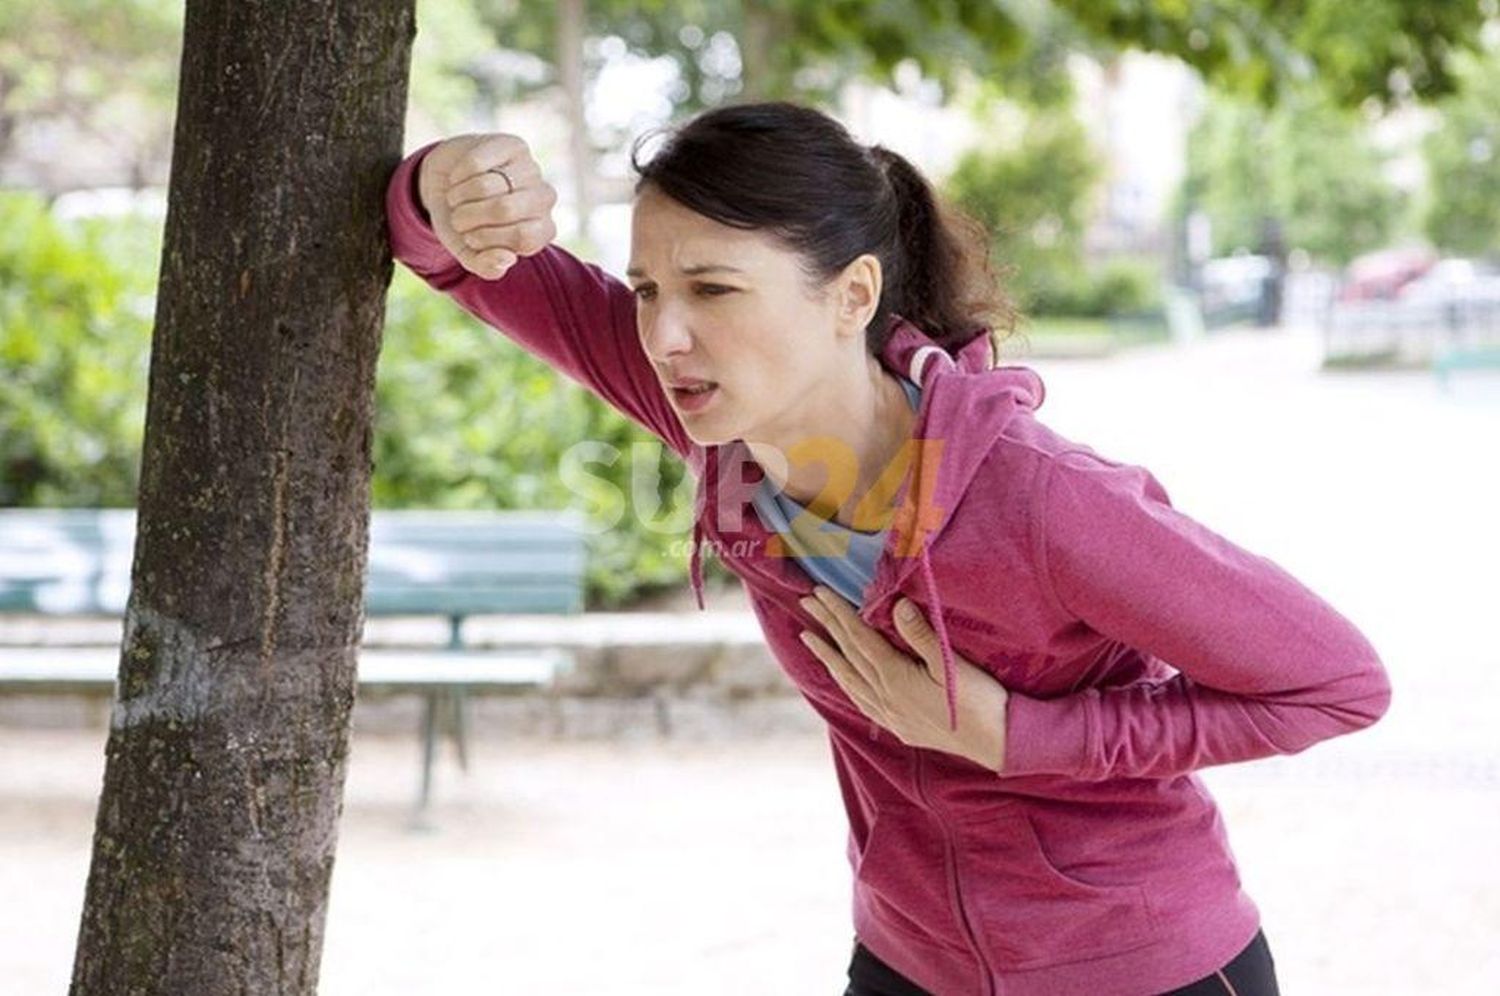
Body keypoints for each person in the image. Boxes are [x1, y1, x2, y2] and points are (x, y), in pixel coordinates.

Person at [384, 100, 1391, 995]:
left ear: (852, 295)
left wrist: (1017, 736)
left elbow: (1338, 685)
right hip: (905, 962)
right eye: (646, 288)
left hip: (1140, 968)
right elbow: (450, 254)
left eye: (714, 289)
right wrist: (445, 180)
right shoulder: (715, 416)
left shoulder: (1041, 500)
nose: (664, 335)